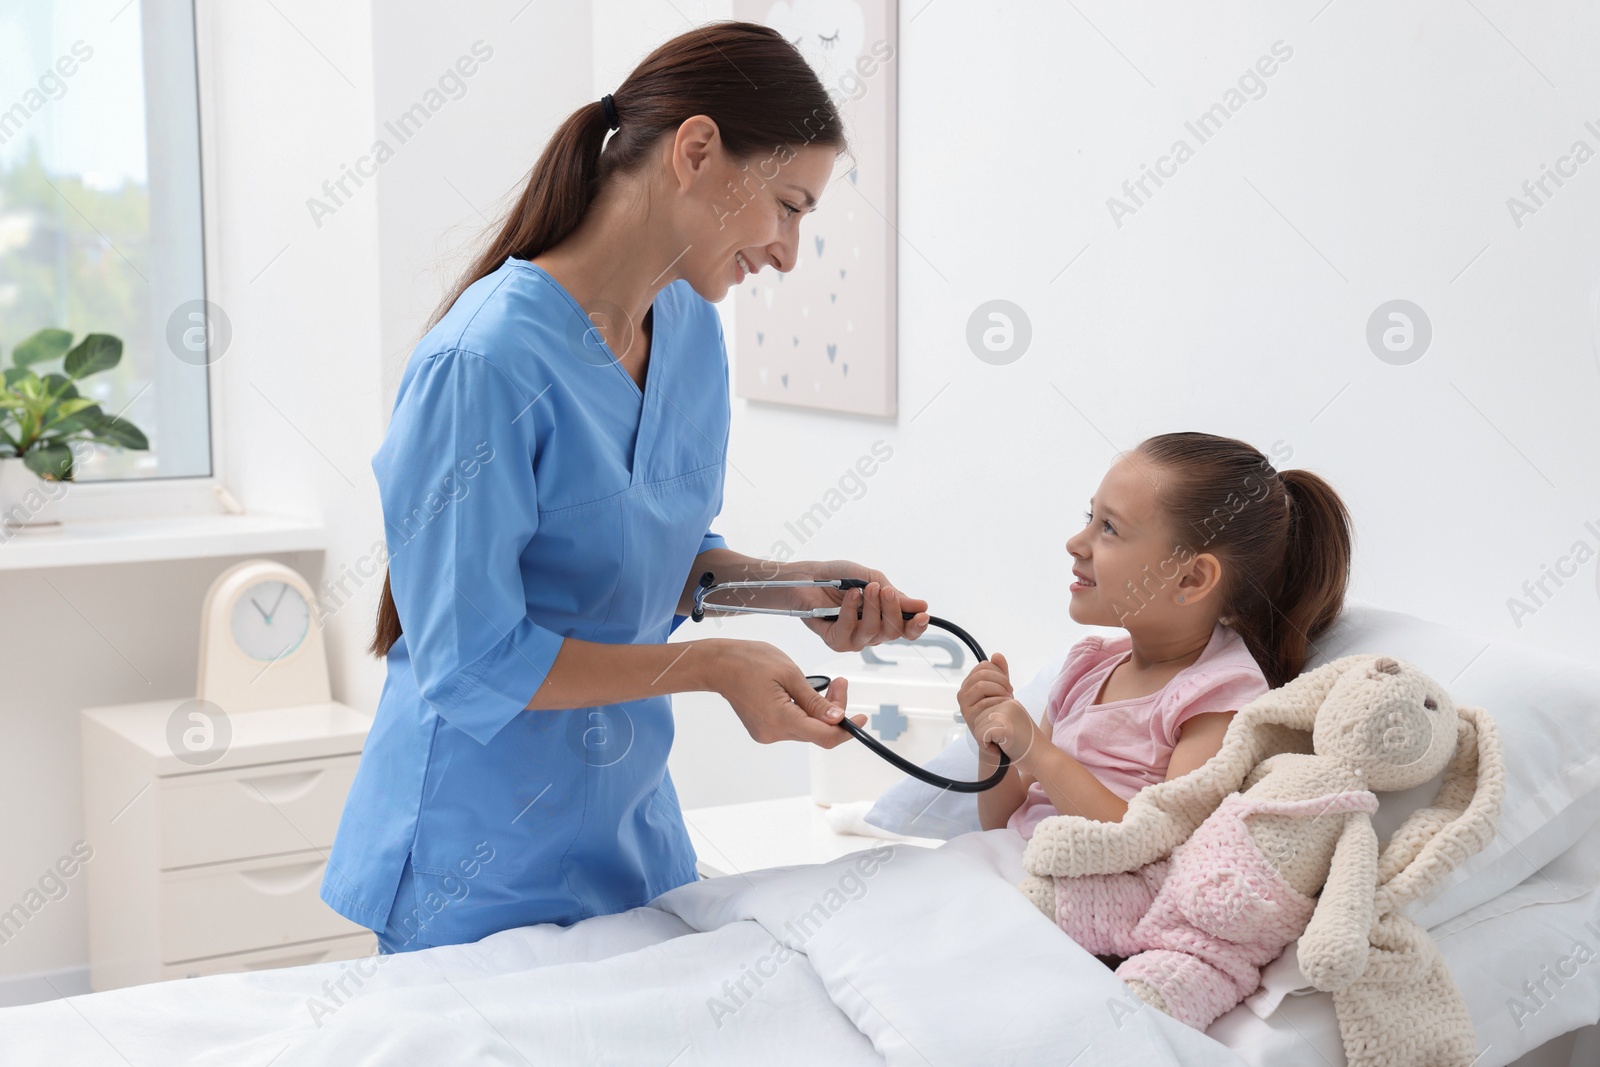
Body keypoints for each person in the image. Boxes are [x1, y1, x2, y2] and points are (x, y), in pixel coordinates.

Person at [319, 21, 930, 955]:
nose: (788, 252)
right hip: (475, 856)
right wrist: (713, 669)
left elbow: (656, 562)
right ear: (696, 151)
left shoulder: (687, 331)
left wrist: (793, 590)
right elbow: (473, 659)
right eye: (790, 205)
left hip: (629, 835)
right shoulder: (481, 365)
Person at [956, 431, 1354, 840]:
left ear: (1191, 578)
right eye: (1088, 519)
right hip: (1012, 867)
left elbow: (1156, 840)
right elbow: (1002, 823)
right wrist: (997, 746)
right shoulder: (1085, 667)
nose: (1075, 544)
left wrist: (1038, 752)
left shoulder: (1219, 695)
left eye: (1109, 527)